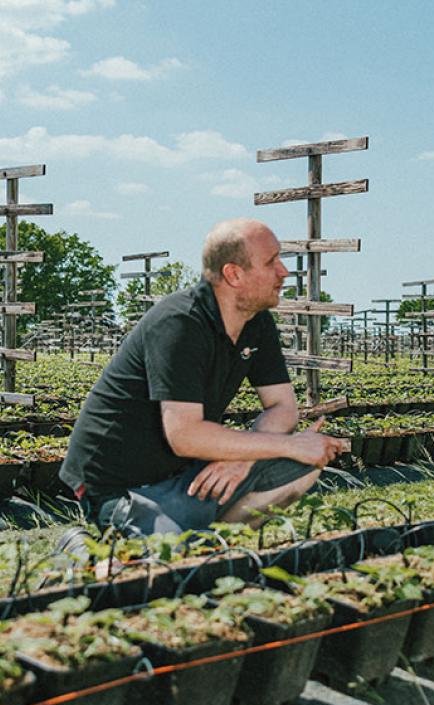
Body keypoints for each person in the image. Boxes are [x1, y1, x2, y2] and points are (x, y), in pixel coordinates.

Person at [60, 218, 348, 537]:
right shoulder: (179, 323)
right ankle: (103, 540)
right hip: (120, 485)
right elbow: (184, 435)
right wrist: (287, 445)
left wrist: (243, 460)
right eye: (271, 262)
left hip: (186, 472)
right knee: (161, 564)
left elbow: (283, 406)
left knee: (301, 467)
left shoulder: (256, 322)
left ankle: (207, 540)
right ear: (233, 274)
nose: (283, 271)